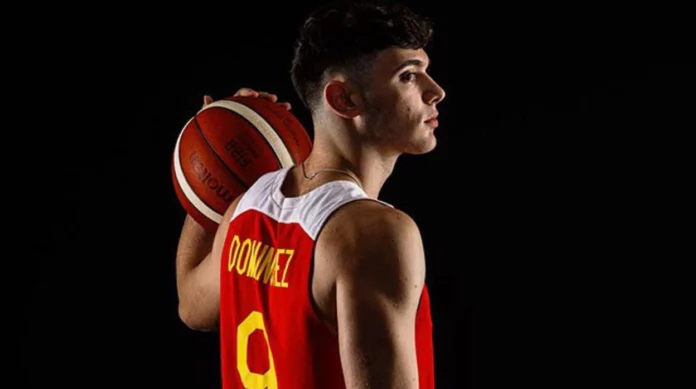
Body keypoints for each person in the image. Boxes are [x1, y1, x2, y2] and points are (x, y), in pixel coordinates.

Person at [175, 0, 446, 388]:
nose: (436, 91)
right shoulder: (371, 232)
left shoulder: (247, 205)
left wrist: (207, 185)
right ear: (344, 99)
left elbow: (190, 305)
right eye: (408, 76)